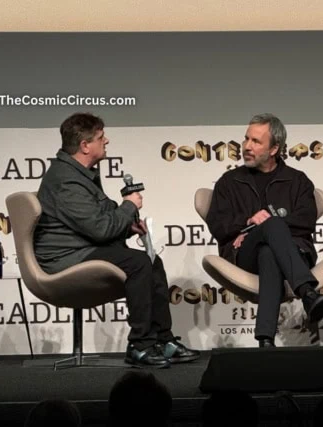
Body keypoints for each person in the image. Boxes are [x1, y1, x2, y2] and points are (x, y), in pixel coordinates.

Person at [34, 112, 199, 367]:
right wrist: (128, 206)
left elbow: (95, 221)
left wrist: (127, 227)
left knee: (151, 262)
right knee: (138, 263)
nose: (107, 140)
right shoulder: (65, 179)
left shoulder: (80, 173)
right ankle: (139, 345)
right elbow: (99, 229)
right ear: (85, 145)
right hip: (66, 259)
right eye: (100, 137)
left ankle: (162, 340)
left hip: (83, 248)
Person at [205, 113, 323, 347]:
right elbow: (218, 225)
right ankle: (308, 292)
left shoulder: (297, 180)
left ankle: (265, 340)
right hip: (243, 255)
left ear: (274, 149)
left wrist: (271, 226)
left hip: (292, 251)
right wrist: (249, 222)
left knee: (270, 251)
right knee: (269, 229)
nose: (246, 147)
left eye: (256, 142)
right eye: (246, 139)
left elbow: (306, 220)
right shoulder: (229, 182)